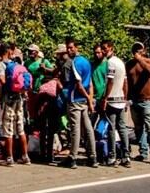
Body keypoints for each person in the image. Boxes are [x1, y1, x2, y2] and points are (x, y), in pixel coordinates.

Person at [58, 40, 97, 169]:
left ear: (76, 48)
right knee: (88, 128)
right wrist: (89, 99)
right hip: (84, 101)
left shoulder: (75, 63)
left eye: (71, 48)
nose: (69, 50)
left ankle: (72, 157)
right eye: (68, 48)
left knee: (76, 129)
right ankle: (92, 156)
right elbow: (90, 83)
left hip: (75, 99)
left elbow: (79, 85)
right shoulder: (86, 62)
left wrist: (88, 99)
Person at [128, 42, 150, 167]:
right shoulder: (129, 64)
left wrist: (140, 59)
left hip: (147, 99)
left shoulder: (148, 61)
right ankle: (143, 152)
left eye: (139, 49)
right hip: (134, 99)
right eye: (135, 49)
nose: (137, 51)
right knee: (138, 128)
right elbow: (128, 82)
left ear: (144, 51)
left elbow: (149, 70)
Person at [98, 40, 130, 167]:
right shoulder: (120, 62)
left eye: (105, 48)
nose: (103, 51)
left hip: (112, 100)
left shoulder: (110, 62)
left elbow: (110, 82)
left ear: (111, 48)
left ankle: (112, 157)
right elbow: (125, 82)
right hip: (121, 99)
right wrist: (125, 97)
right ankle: (126, 156)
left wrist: (105, 98)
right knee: (122, 128)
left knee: (111, 128)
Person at [0, 48, 30, 166]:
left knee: (8, 129)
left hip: (9, 99)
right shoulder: (22, 67)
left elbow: (5, 83)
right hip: (19, 98)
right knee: (20, 129)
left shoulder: (8, 68)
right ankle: (25, 156)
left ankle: (9, 158)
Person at [35, 65, 61, 164]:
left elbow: (38, 101)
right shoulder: (56, 84)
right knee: (50, 133)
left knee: (43, 133)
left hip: (43, 111)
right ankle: (49, 156)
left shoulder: (42, 87)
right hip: (53, 110)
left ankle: (43, 154)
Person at [91, 44, 108, 114]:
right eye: (95, 53)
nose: (96, 55)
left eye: (98, 53)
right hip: (94, 98)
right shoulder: (92, 65)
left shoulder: (108, 64)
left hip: (104, 98)